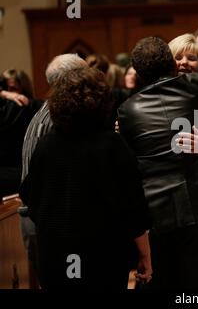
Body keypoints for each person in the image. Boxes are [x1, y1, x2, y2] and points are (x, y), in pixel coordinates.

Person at [117, 36, 198, 289]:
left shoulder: (128, 110)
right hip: (193, 203)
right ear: (171, 63)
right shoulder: (196, 87)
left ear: (138, 73)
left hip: (152, 210)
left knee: (158, 279)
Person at [20, 66, 152, 289]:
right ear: (102, 100)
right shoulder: (112, 145)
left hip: (56, 253)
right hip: (103, 254)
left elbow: (29, 197)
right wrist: (145, 255)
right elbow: (134, 209)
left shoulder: (46, 145)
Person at [19, 54, 89, 281]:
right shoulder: (60, 117)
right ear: (75, 80)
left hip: (41, 218)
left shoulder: (49, 110)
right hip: (48, 222)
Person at [0, 69, 38, 198]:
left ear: (24, 87)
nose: (13, 95)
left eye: (14, 89)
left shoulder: (29, 105)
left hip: (19, 168)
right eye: (7, 89)